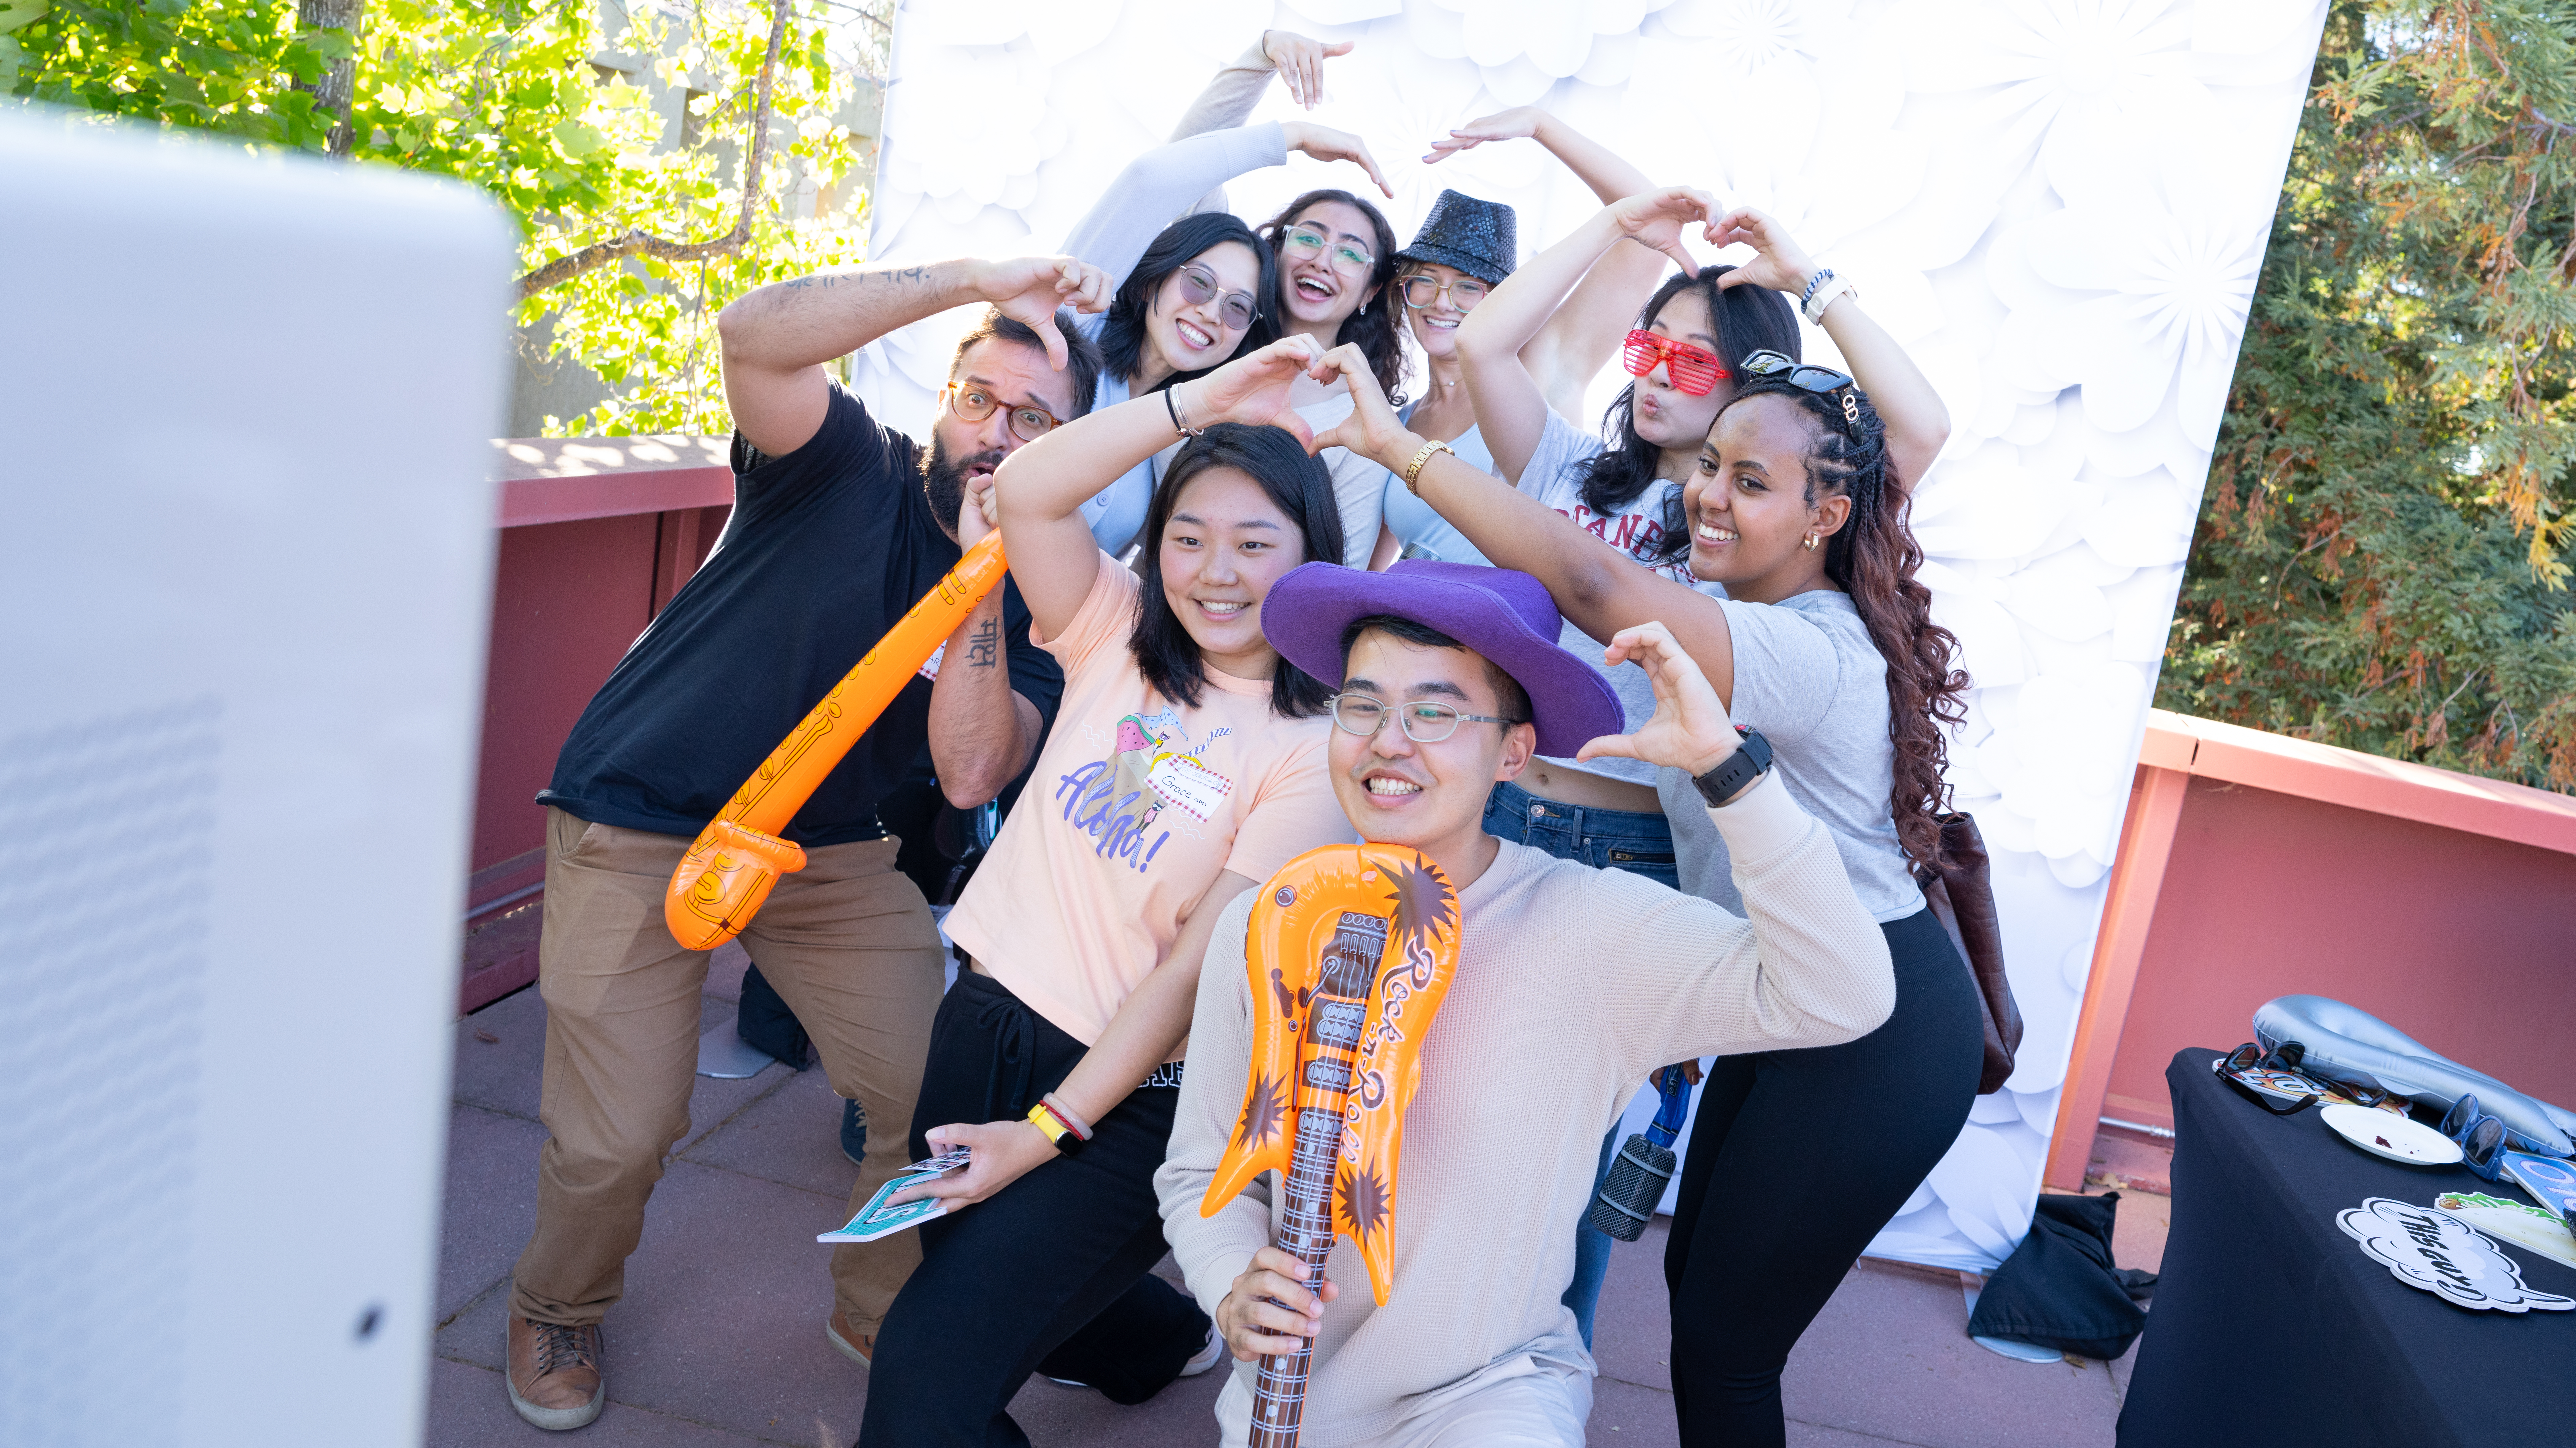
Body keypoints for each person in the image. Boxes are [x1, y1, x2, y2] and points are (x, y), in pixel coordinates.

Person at [1312, 319, 1985, 1445]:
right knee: (1700, 1309)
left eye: (1750, 481)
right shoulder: (1744, 618)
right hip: (1792, 1003)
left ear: (1826, 514)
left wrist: (1402, 451)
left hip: (1878, 1034)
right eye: (1709, 467)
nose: (1708, 497)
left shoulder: (1804, 649)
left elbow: (1582, 576)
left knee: (1726, 1354)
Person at [498, 253, 1109, 1430]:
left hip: (822, 851)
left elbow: (970, 771)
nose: (996, 432)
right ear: (943, 398)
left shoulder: (1045, 593)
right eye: (979, 397)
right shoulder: (849, 466)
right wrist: (976, 277)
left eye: (1035, 420)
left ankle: (881, 1310)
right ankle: (553, 1300)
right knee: (621, 1132)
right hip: (640, 812)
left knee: (930, 1092)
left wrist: (985, 579)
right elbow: (754, 332)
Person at [1154, 556, 1898, 1448]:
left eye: (1434, 711)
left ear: (1513, 748)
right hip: (1288, 1406)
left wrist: (1725, 768)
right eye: (1362, 705)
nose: (1389, 739)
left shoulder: (1590, 927)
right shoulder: (1267, 922)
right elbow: (1200, 1171)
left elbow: (1841, 994)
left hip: (1489, 1396)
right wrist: (1234, 1283)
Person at [854, 336, 1365, 1446]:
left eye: (1252, 543)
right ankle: (1146, 1342)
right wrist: (1197, 402)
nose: (1215, 570)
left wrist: (1041, 1134)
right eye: (1188, 536)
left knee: (926, 1384)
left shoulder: (1309, 749)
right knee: (998, 1294)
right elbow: (1027, 488)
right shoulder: (1116, 630)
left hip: (1128, 1103)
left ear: (1310, 555)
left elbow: (1191, 975)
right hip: (982, 1021)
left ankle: (1114, 1320)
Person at [1055, 33, 1389, 555]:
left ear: (1371, 290)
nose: (1323, 258)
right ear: (1275, 257)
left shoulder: (1355, 415)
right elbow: (1172, 169)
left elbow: (1338, 567)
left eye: (1350, 252)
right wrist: (1262, 59)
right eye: (1308, 236)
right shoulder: (1129, 347)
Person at [1365, 106, 1674, 570]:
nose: (1442, 302)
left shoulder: (1538, 371)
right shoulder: (1400, 422)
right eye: (1425, 280)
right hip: (1411, 626)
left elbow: (1651, 218)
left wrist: (1541, 126)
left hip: (1511, 632)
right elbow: (1374, 567)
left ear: (1503, 299)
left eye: (1469, 286)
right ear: (1402, 293)